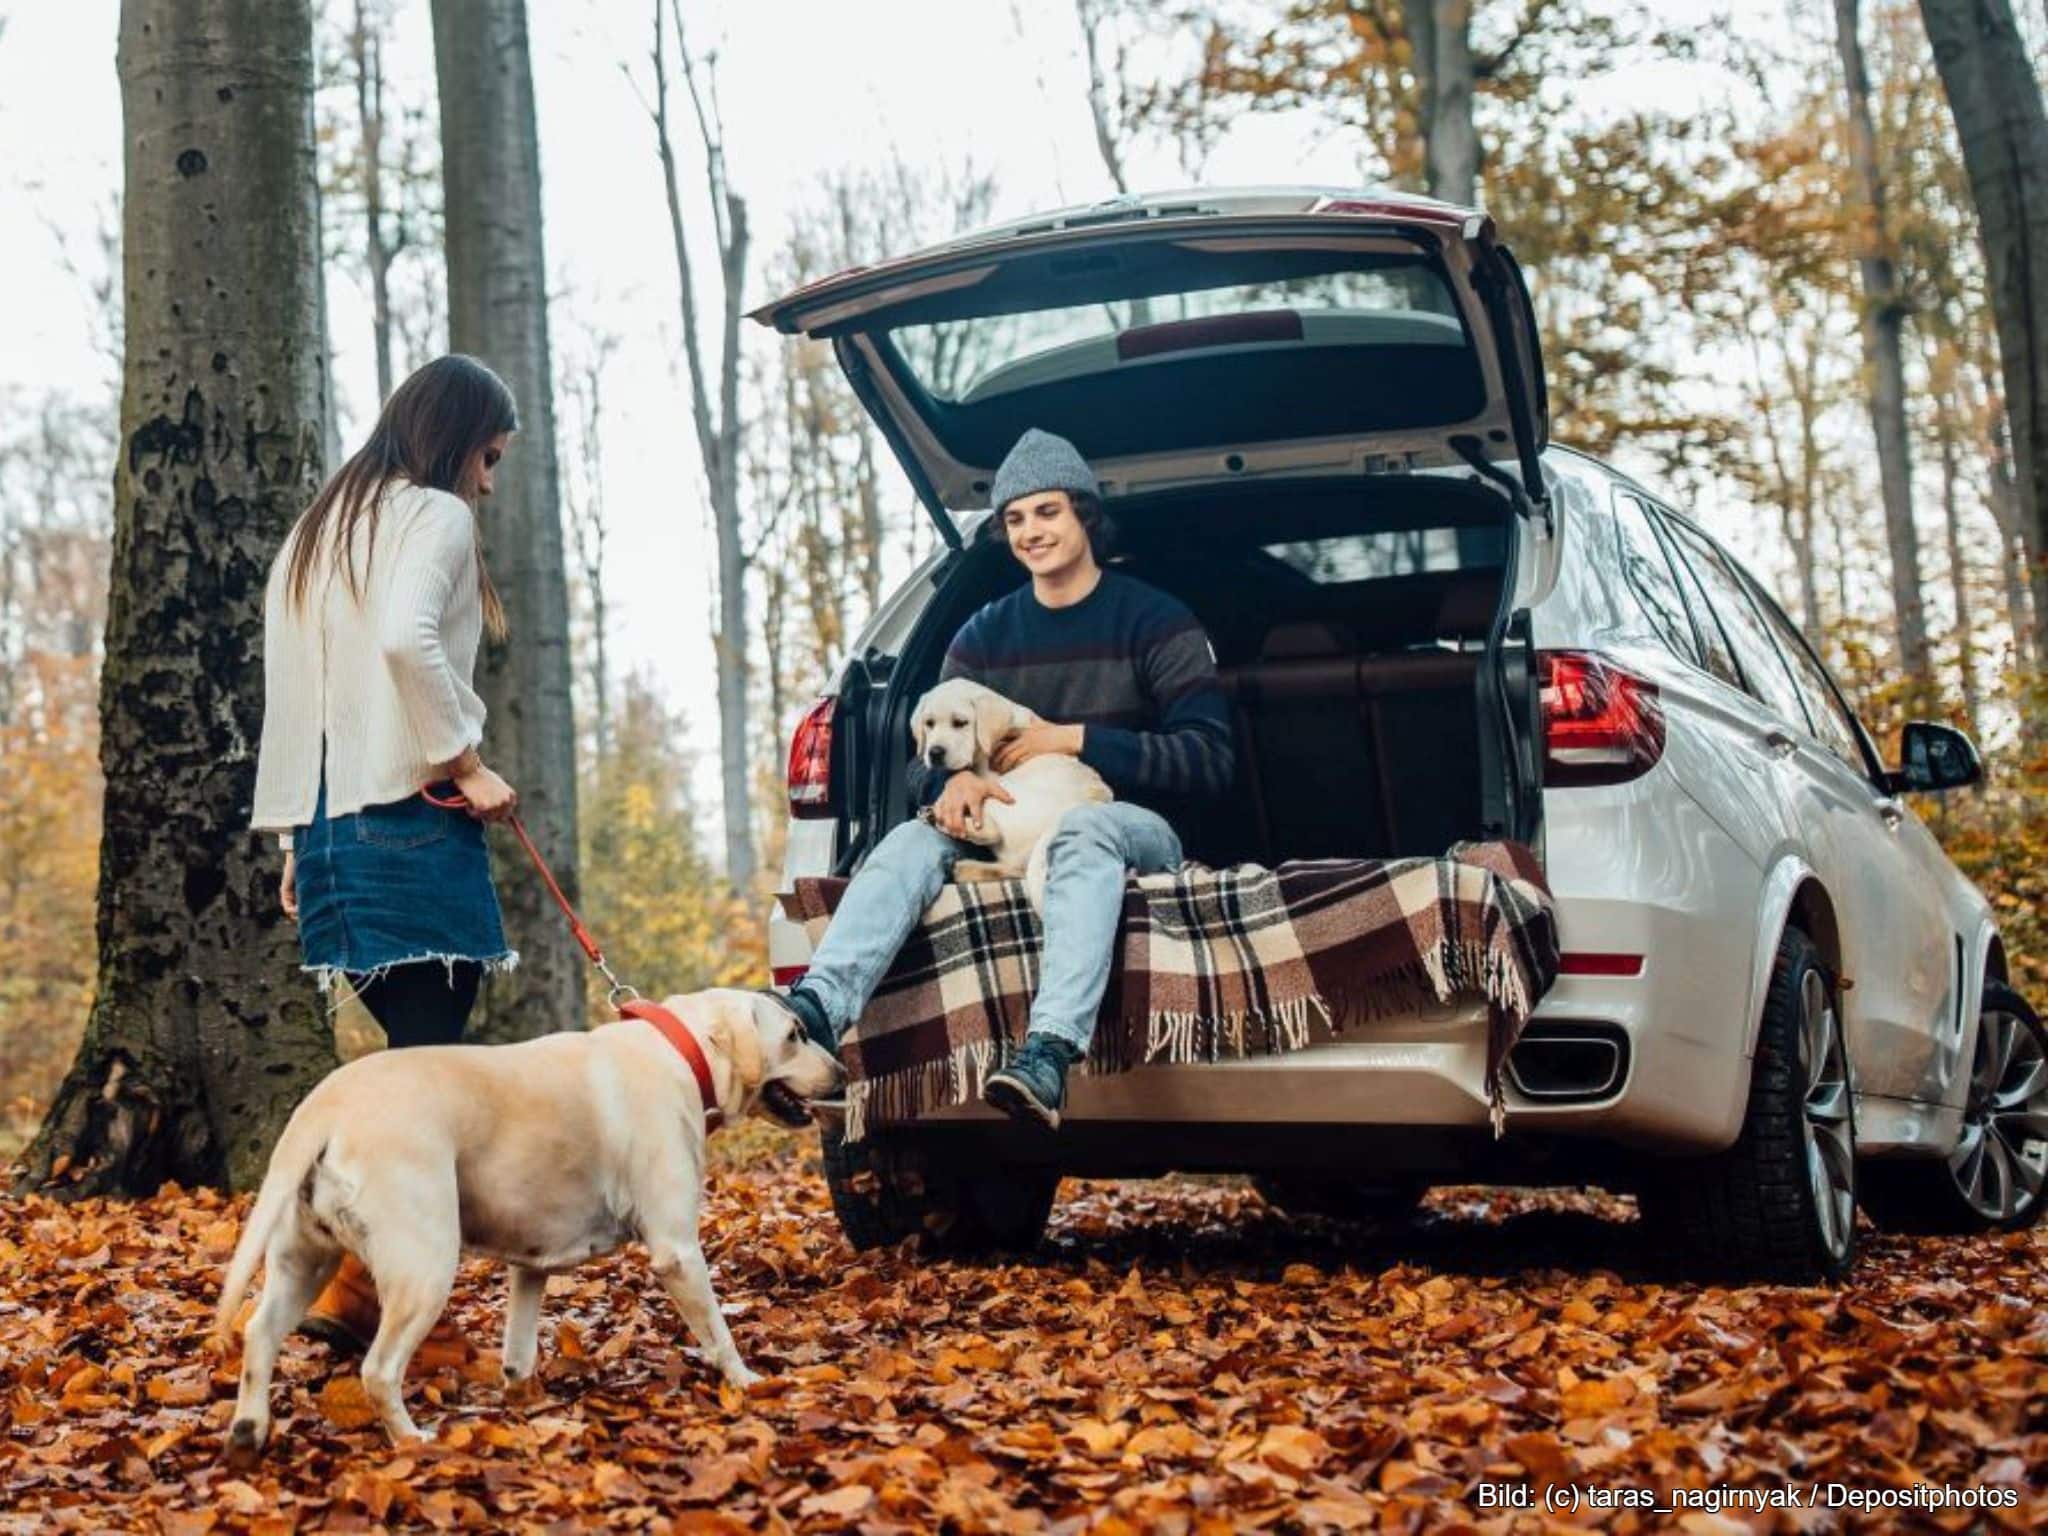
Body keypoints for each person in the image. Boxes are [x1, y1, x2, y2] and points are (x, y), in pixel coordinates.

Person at [775, 428, 1235, 1127]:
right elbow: (924, 751)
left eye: (1047, 512)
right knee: (907, 843)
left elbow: (1208, 761)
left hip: (1130, 828)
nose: (1031, 532)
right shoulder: (981, 637)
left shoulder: (1155, 621)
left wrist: (1076, 739)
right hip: (1001, 821)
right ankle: (813, 1011)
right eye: (1014, 519)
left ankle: (1048, 1051)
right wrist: (944, 789)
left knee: (1082, 831)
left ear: (1084, 513)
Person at [249, 353, 523, 1351]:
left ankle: (358, 1297)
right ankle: (365, 1288)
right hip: (404, 820)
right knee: (426, 1077)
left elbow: (308, 698)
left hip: (329, 830)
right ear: (455, 436)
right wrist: (465, 759)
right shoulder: (431, 516)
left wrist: (296, 834)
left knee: (419, 1070)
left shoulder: (322, 532)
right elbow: (410, 643)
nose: (487, 482)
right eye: (488, 457)